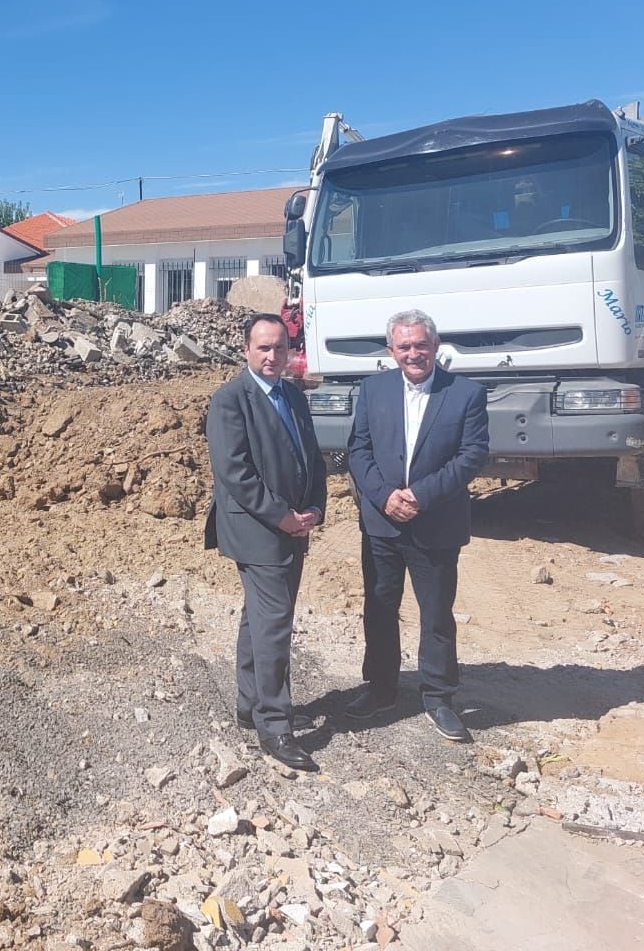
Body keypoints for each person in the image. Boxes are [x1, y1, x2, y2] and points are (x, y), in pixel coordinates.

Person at [344, 310, 488, 742]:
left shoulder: (465, 394)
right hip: (382, 525)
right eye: (404, 346)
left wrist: (421, 495)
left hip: (436, 523)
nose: (413, 353)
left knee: (437, 614)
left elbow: (472, 456)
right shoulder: (373, 390)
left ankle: (439, 697)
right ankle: (382, 688)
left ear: (436, 345)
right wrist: (385, 497)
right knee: (380, 608)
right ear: (392, 351)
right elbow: (358, 450)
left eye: (420, 345)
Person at [205, 312, 328, 771]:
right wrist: (282, 517)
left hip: (294, 525)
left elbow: (312, 459)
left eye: (280, 347)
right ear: (246, 350)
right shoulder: (230, 401)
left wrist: (315, 508)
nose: (273, 356)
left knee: (259, 617)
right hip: (259, 531)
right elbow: (234, 472)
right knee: (275, 622)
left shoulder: (294, 397)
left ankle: (248, 701)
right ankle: (275, 725)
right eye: (263, 348)